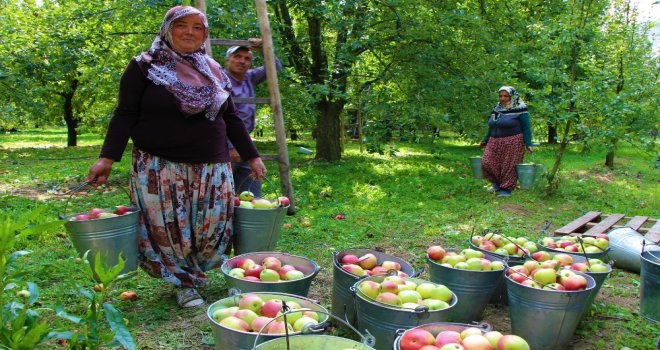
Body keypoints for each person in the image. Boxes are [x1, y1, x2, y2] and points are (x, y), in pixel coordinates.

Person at [85, 6, 266, 308]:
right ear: (167, 29)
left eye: (198, 27)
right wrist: (107, 157)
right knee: (170, 229)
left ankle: (197, 271)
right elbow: (125, 113)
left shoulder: (213, 69)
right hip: (159, 164)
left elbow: (231, 116)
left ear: (205, 34)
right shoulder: (143, 66)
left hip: (212, 163)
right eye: (181, 25)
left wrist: (253, 155)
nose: (189, 32)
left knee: (213, 225)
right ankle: (183, 282)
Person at [224, 39, 282, 197]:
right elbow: (218, 116)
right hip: (225, 146)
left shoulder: (249, 77)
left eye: (247, 58)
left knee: (251, 194)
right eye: (237, 56)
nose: (242, 61)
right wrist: (230, 146)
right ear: (227, 59)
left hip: (245, 144)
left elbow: (275, 68)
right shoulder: (220, 79)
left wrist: (263, 49)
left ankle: (251, 220)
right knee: (223, 194)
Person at [481, 86, 533, 197]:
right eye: (500, 96)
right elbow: (491, 126)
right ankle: (497, 183)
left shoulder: (520, 108)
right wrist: (485, 140)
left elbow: (526, 127)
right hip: (494, 140)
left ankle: (506, 189)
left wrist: (528, 143)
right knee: (487, 162)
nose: (502, 98)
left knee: (508, 166)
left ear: (512, 96)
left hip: (513, 140)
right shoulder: (497, 108)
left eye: (506, 96)